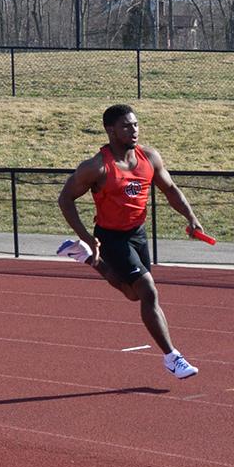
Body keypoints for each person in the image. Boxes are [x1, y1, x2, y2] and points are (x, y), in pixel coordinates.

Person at [57, 104, 203, 379]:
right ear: (110, 130)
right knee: (148, 290)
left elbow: (170, 189)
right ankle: (172, 357)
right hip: (110, 236)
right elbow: (65, 199)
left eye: (135, 124)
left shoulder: (148, 157)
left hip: (137, 233)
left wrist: (191, 217)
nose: (133, 130)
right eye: (126, 126)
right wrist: (89, 236)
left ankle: (86, 257)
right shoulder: (96, 167)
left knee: (133, 294)